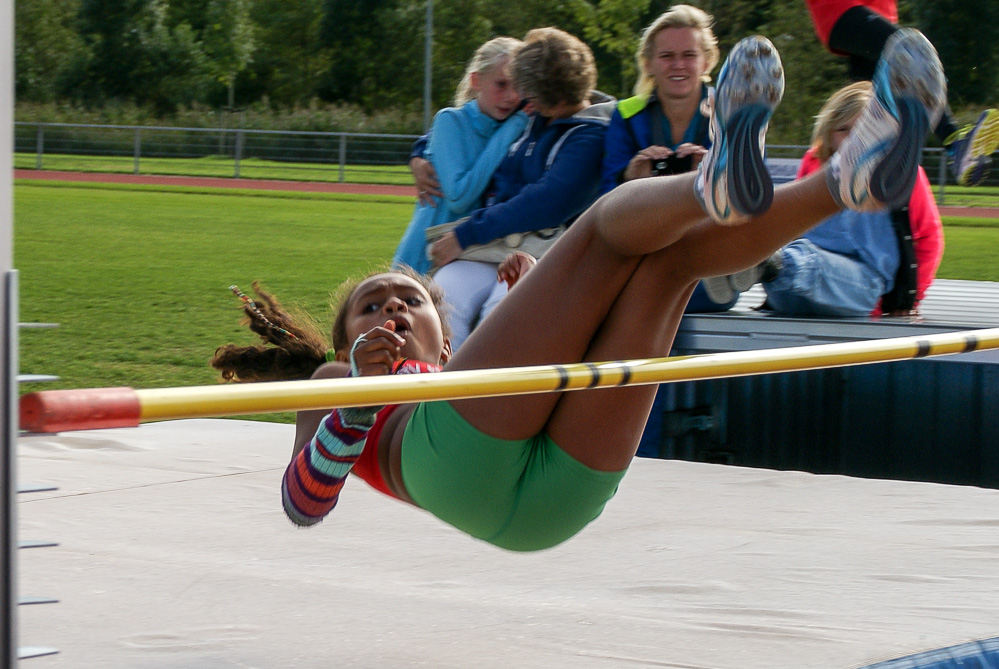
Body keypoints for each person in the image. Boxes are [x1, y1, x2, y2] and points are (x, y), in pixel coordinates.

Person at [214, 31, 944, 551]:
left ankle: (843, 183)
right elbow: (302, 505)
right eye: (371, 307)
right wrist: (355, 404)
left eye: (407, 298)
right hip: (448, 462)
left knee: (669, 267)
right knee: (598, 228)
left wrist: (529, 302)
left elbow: (514, 374)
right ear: (347, 340)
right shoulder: (334, 376)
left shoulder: (465, 362)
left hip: (549, 508)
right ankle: (711, 182)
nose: (392, 310)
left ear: (446, 325)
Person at [427, 27, 613, 351]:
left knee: (499, 318)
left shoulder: (591, 135)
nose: (523, 101)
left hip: (546, 254)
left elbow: (546, 202)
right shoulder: (541, 114)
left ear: (550, 96)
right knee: (440, 302)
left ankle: (480, 399)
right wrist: (420, 153)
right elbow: (471, 119)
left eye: (531, 95)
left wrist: (466, 234)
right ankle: (428, 395)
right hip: (497, 247)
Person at [707, 81, 944, 318]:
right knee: (796, 254)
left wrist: (909, 299)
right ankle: (758, 264)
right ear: (829, 135)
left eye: (865, 130)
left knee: (813, 260)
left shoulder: (903, 175)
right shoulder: (813, 164)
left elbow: (929, 239)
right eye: (844, 130)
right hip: (791, 288)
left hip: (860, 291)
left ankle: (759, 261)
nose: (855, 140)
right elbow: (791, 224)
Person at [599, 4, 737, 313]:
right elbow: (605, 199)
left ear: (706, 61)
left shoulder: (731, 113)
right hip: (647, 239)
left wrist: (715, 170)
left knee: (657, 288)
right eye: (666, 56)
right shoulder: (626, 113)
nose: (678, 66)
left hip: (706, 240)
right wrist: (630, 181)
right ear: (648, 63)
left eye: (689, 55)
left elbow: (749, 189)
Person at [803, 0, 999, 186]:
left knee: (868, 116)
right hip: (842, 9)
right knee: (911, 53)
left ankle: (867, 191)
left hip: (875, 14)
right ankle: (955, 145)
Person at [392, 37, 527, 274]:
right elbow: (459, 196)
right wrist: (511, 129)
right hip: (424, 258)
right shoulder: (450, 120)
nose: (512, 96)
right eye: (501, 84)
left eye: (519, 86)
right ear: (476, 80)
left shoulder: (519, 123)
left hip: (474, 260)